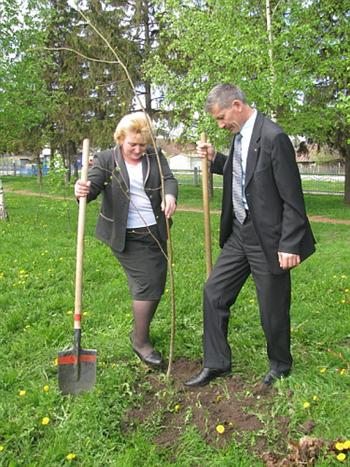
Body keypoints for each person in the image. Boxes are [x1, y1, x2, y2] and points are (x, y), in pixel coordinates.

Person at [185, 84, 316, 387]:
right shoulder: (240, 137)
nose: (220, 125)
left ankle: (281, 364)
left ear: (236, 104)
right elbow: (242, 174)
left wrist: (289, 243)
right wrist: (216, 158)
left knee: (272, 306)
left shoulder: (274, 137)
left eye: (221, 118)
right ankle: (217, 362)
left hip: (269, 239)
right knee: (214, 293)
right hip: (240, 234)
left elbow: (293, 198)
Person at [75, 112, 178, 368]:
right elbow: (93, 186)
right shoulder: (107, 159)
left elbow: (169, 179)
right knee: (146, 284)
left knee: (156, 282)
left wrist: (171, 196)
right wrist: (82, 190)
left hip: (154, 231)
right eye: (132, 144)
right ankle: (140, 341)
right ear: (121, 138)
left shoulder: (155, 156)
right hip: (125, 235)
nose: (138, 149)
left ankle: (140, 333)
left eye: (143, 144)